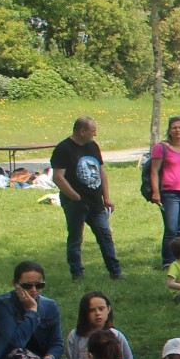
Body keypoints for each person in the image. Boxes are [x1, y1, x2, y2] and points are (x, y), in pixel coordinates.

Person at [50, 116, 122, 280]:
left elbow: (102, 171)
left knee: (105, 236)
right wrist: (75, 197)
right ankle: (77, 273)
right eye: (93, 131)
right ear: (81, 131)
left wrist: (107, 197)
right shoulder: (63, 148)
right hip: (75, 203)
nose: (95, 134)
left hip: (95, 201)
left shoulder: (93, 146)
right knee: (76, 238)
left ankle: (115, 271)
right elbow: (58, 177)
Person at [148, 115, 180, 266]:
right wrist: (156, 192)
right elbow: (154, 171)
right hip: (169, 193)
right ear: (169, 131)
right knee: (171, 229)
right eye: (174, 128)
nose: (177, 130)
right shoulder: (161, 148)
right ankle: (168, 261)